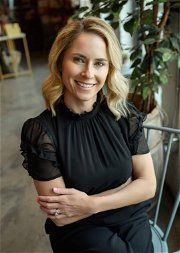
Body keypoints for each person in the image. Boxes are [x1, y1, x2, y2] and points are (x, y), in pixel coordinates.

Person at [20, 16, 156, 253]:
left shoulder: (123, 115)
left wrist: (90, 203)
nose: (88, 73)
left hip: (130, 218)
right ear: (61, 61)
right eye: (79, 60)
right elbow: (61, 216)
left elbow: (148, 186)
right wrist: (126, 187)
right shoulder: (41, 132)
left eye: (99, 63)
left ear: (109, 68)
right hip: (79, 230)